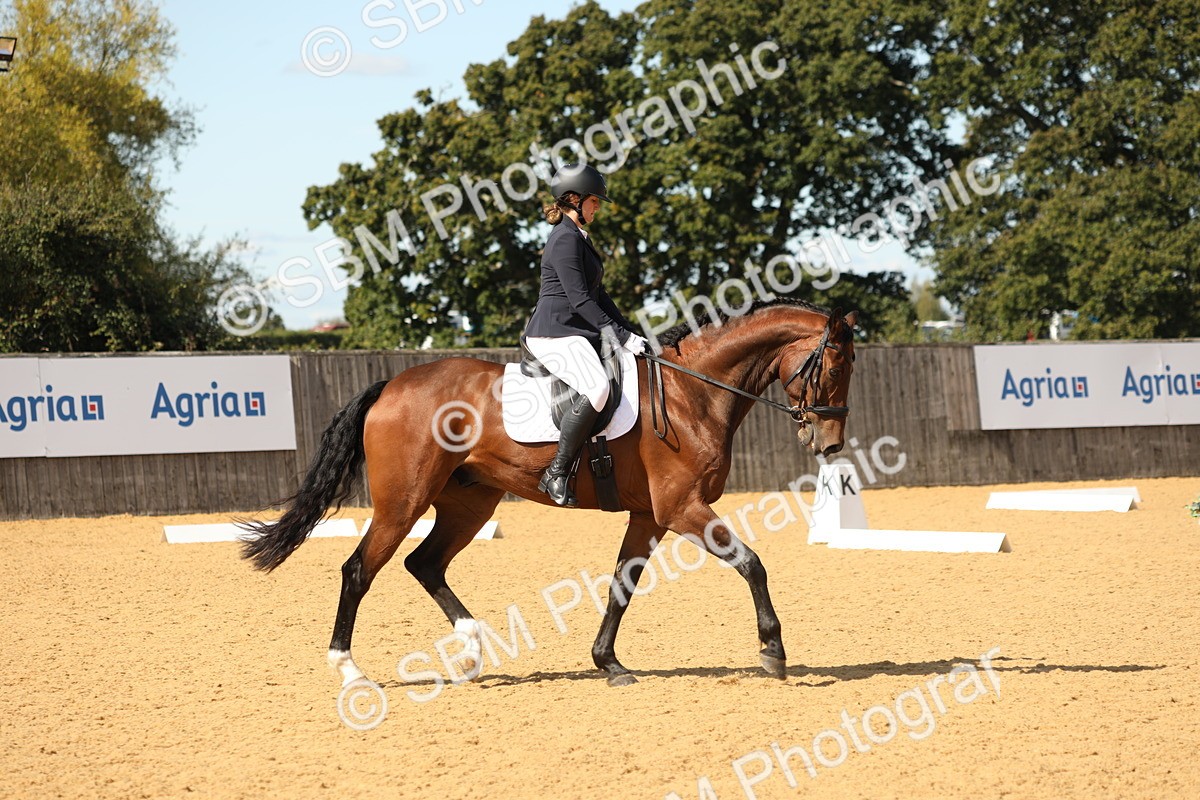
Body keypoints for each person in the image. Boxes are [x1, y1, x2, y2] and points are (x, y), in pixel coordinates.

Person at [523, 163, 648, 507]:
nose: (597, 208)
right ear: (574, 199)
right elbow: (578, 299)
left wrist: (630, 331)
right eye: (594, 202)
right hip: (554, 332)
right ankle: (557, 472)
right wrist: (619, 336)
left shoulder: (579, 237)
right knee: (597, 387)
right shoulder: (563, 239)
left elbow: (598, 295)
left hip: (576, 329)